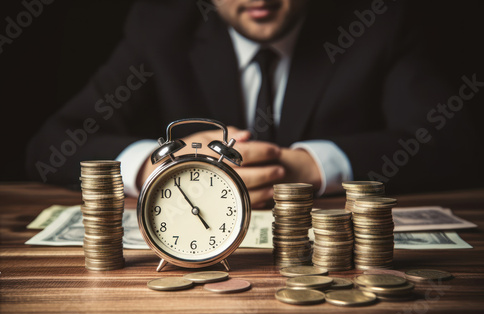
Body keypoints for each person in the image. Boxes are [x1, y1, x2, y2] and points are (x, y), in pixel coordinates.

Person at [26, 0, 479, 208]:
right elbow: (52, 143)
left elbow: (455, 143)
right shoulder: (159, 24)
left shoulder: (377, 19)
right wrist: (158, 164)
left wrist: (311, 167)